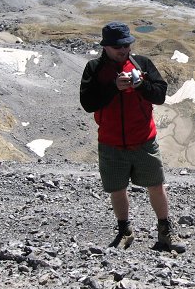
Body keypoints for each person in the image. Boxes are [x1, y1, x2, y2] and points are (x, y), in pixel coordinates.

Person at [79, 22, 185, 253]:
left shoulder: (142, 64)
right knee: (117, 189)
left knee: (156, 185)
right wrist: (113, 88)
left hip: (144, 139)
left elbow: (159, 95)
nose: (124, 50)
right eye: (118, 46)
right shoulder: (94, 68)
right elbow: (88, 103)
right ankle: (124, 230)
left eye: (127, 45)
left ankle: (165, 231)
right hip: (111, 141)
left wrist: (141, 86)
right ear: (106, 46)